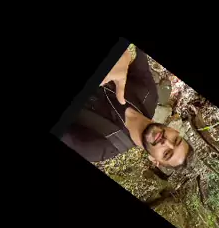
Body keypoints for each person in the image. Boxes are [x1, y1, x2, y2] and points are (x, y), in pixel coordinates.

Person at [61, 45, 192, 168]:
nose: (166, 142)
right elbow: (135, 51)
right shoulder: (149, 94)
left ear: (153, 160)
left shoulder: (97, 148)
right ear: (175, 131)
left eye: (166, 153)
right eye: (175, 140)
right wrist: (125, 56)